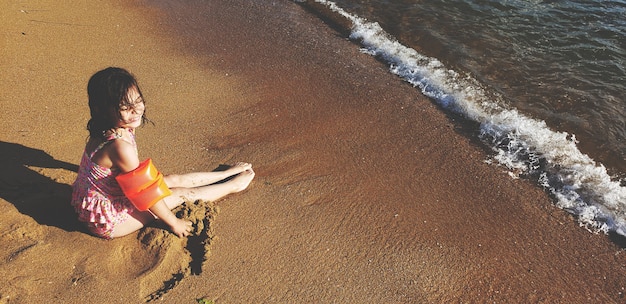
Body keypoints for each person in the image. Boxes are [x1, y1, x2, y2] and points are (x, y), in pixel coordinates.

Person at [71, 67, 255, 239]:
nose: (136, 111)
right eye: (125, 107)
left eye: (138, 101)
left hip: (98, 197)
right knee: (182, 193)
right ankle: (233, 186)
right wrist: (174, 223)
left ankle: (225, 174)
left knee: (173, 179)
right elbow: (145, 193)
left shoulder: (106, 128)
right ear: (103, 110)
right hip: (105, 219)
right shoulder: (120, 147)